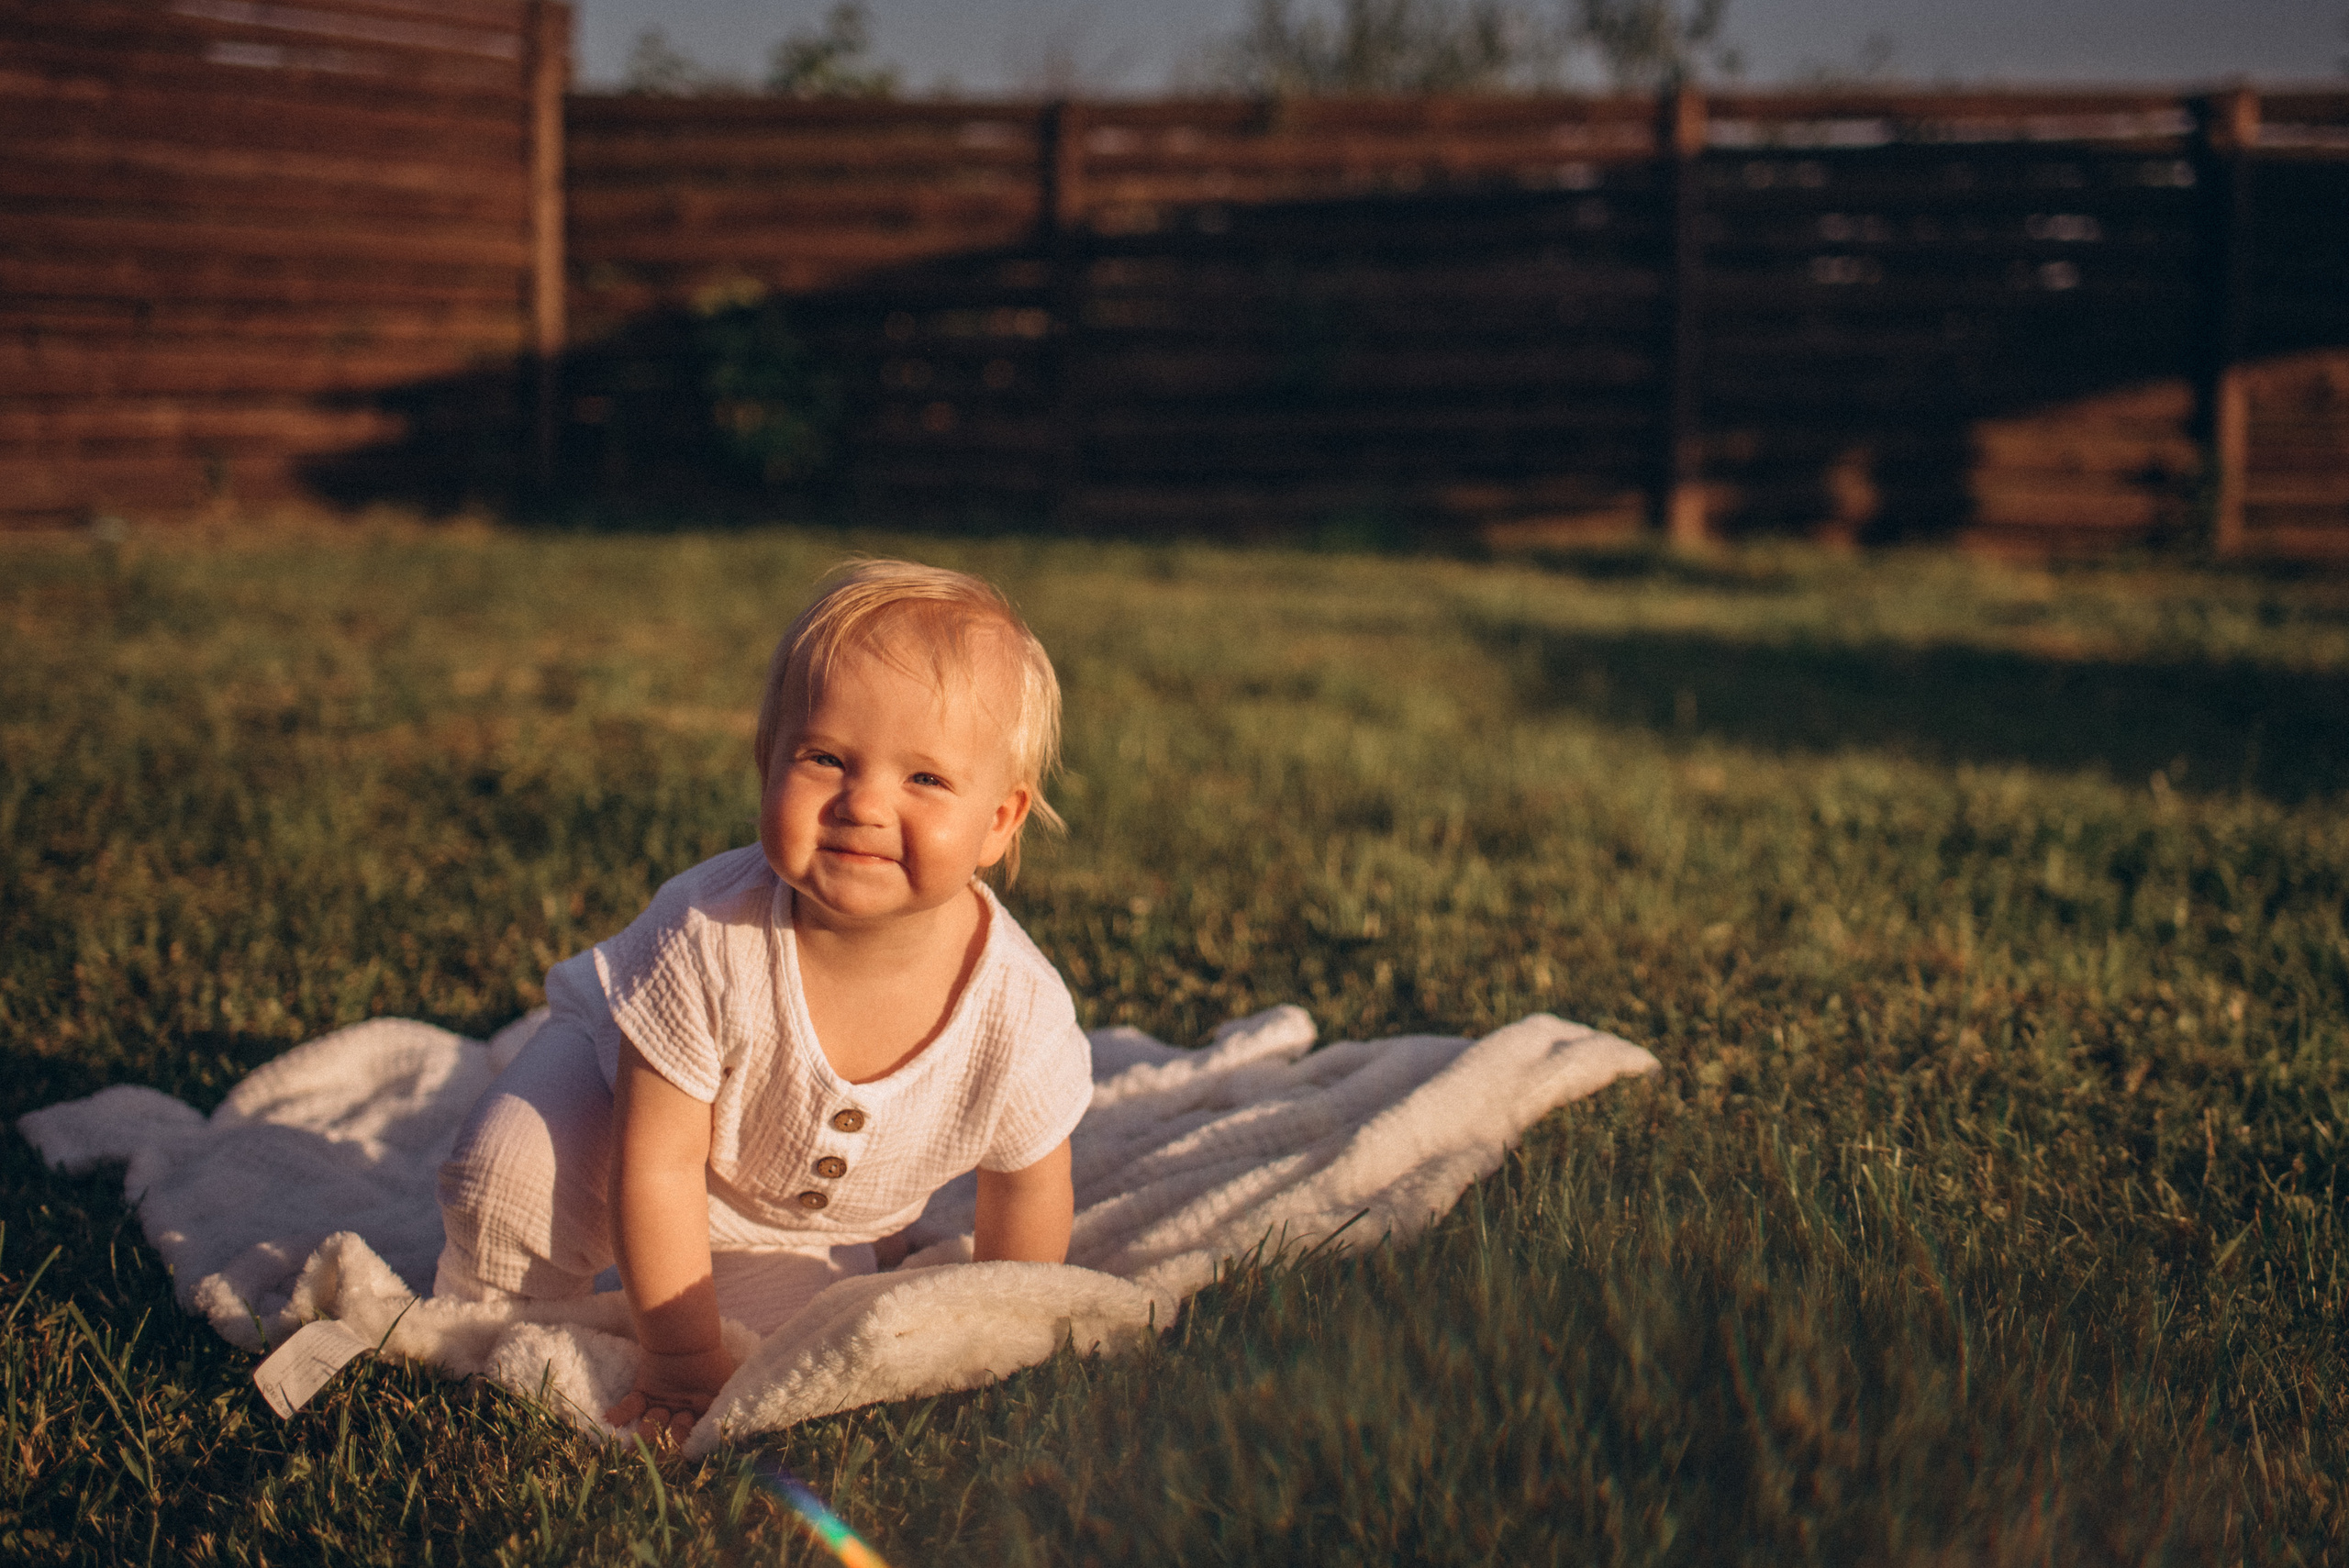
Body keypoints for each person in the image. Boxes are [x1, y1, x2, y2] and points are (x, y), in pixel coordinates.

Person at [433, 558, 1092, 1448]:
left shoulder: (1018, 1011)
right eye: (825, 758)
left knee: (789, 1345)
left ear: (1001, 821)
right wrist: (676, 1351)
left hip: (781, 1213)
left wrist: (1008, 1335)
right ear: (766, 764)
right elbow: (656, 1161)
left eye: (924, 779)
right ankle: (499, 1317)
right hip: (622, 1107)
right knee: (506, 1169)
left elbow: (1027, 1186)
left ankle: (813, 1260)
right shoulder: (708, 934)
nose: (862, 803)